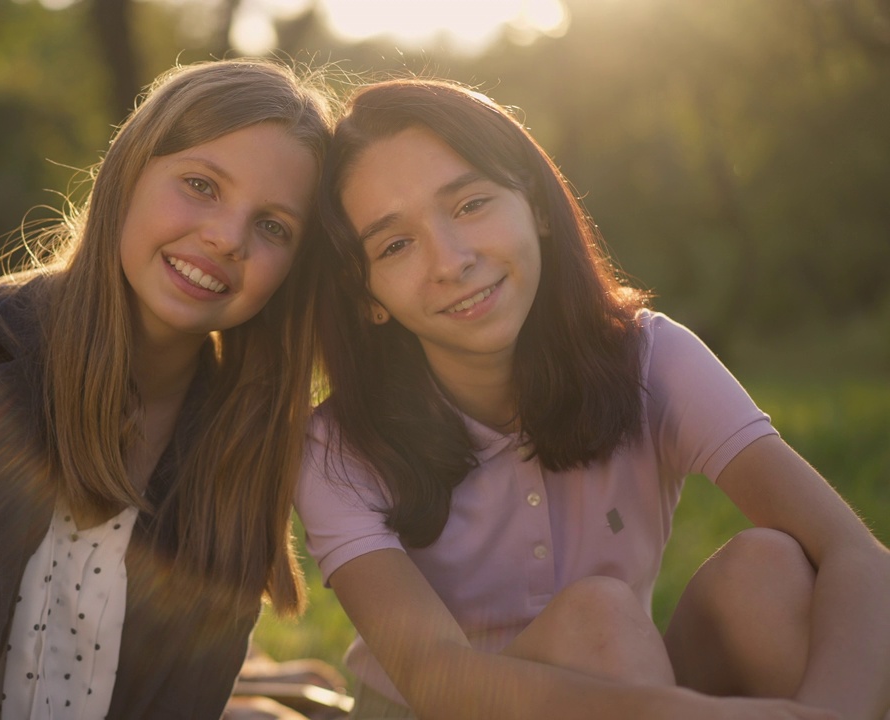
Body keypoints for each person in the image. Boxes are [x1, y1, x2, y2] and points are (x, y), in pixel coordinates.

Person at [295, 77, 890, 720]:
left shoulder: (650, 358)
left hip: (626, 685)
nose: (451, 261)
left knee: (769, 568)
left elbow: (855, 553)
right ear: (367, 297)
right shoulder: (336, 446)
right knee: (598, 619)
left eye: (469, 205)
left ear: (539, 208)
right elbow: (438, 679)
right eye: (396, 244)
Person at [0, 59, 333, 719]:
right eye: (201, 184)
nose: (227, 238)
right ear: (128, 173)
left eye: (274, 227)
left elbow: (184, 704)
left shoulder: (246, 435)